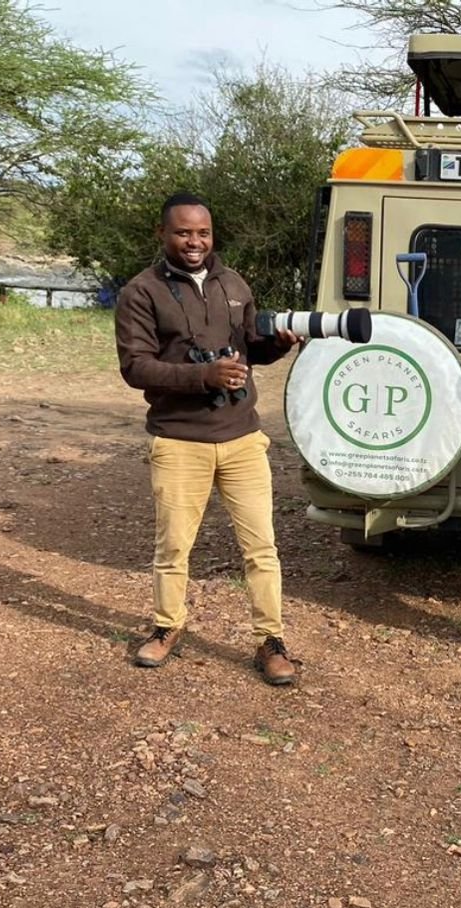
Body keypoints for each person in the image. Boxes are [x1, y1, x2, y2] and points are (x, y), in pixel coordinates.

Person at [115, 192, 301, 684]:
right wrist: (204, 378)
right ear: (163, 235)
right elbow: (135, 368)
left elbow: (249, 351)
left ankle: (271, 641)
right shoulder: (141, 292)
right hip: (179, 440)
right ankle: (166, 628)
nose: (194, 242)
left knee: (261, 548)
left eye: (203, 232)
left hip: (242, 438)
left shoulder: (233, 283)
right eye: (183, 232)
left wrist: (275, 346)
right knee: (173, 547)